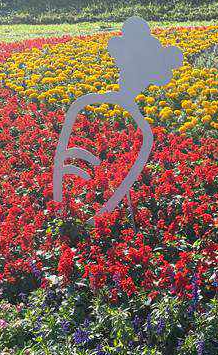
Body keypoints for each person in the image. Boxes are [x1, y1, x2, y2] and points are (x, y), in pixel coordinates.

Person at [52, 16, 183, 217]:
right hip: (81, 201)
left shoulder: (87, 105)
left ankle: (76, 216)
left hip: (84, 202)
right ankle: (71, 215)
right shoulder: (86, 105)